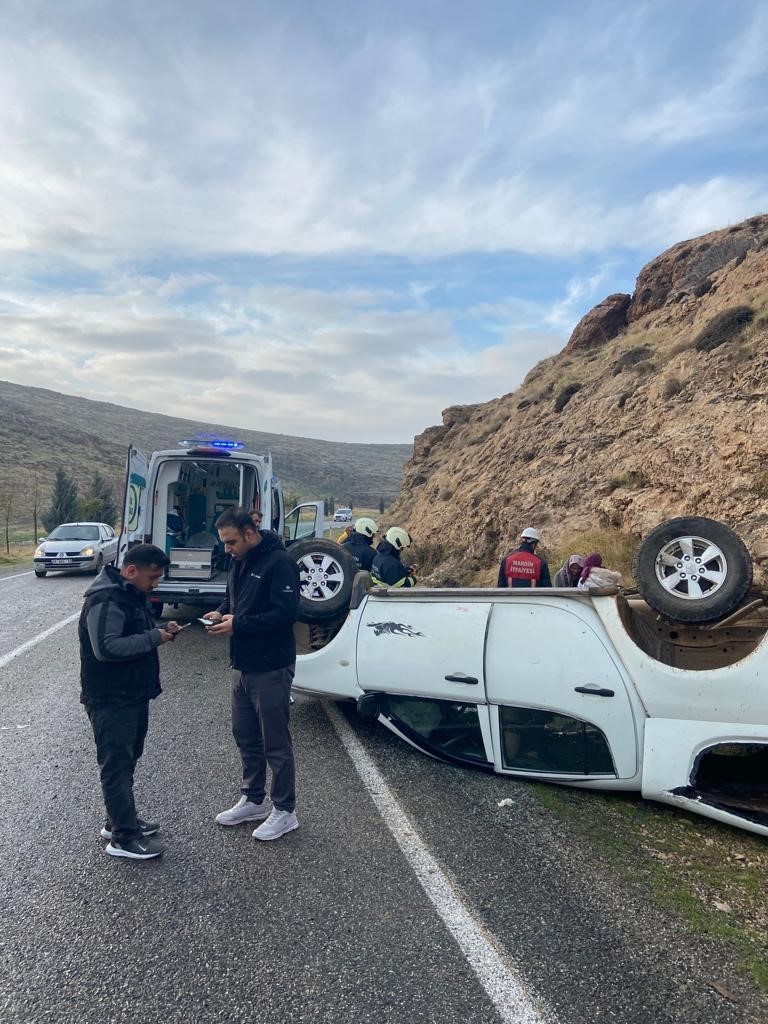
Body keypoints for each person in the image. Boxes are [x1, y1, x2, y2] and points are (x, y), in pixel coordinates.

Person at [79, 544, 180, 860]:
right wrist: (154, 638)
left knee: (128, 759)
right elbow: (107, 648)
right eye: (152, 577)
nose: (155, 584)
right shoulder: (105, 599)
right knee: (116, 766)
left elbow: (133, 633)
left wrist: (161, 631)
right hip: (110, 698)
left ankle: (118, 820)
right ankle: (123, 838)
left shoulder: (129, 594)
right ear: (131, 570)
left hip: (132, 695)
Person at [206, 508, 301, 842]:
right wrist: (220, 610)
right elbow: (233, 596)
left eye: (231, 542)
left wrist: (239, 624)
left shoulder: (280, 563)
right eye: (224, 543)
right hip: (242, 664)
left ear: (249, 533)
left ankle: (285, 811)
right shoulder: (239, 560)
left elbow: (287, 613)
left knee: (275, 742)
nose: (227, 549)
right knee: (245, 735)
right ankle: (253, 799)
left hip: (271, 666)